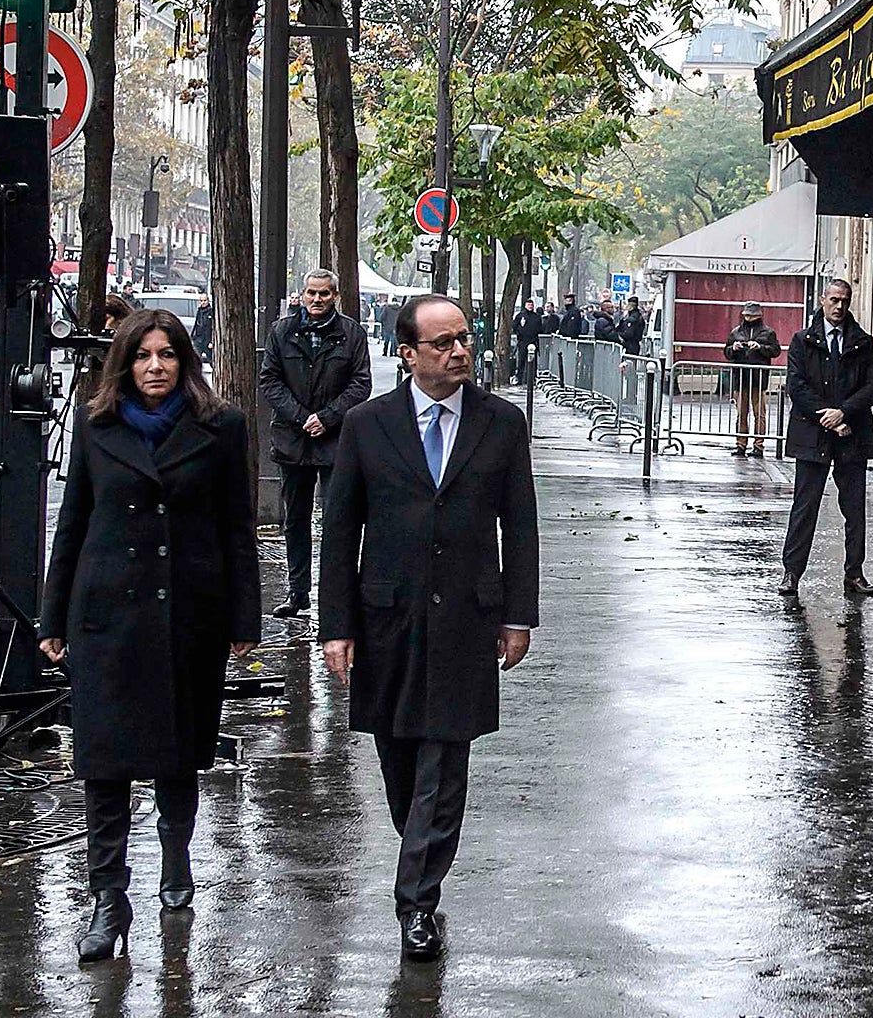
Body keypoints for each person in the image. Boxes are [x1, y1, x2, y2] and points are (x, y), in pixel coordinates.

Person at [318, 294, 541, 961]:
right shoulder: (366, 424)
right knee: (400, 763)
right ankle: (421, 863)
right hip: (387, 616)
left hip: (469, 618)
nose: (459, 352)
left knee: (444, 764)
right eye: (442, 343)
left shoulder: (502, 424)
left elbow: (520, 524)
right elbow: (338, 531)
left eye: (464, 339)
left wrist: (518, 614)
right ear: (408, 353)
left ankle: (416, 904)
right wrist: (336, 626)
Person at [38, 310, 260, 962]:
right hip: (106, 616)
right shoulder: (95, 424)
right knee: (102, 765)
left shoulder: (221, 428)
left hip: (187, 617)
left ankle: (174, 858)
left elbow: (236, 529)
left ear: (185, 361)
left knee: (177, 755)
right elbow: (72, 523)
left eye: (167, 354)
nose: (156, 366)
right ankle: (108, 898)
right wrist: (53, 618)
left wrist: (243, 619)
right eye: (143, 355)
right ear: (125, 363)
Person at [257, 269, 373, 620]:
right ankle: (298, 591)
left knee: (338, 518)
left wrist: (328, 417)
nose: (317, 299)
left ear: (335, 296)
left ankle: (337, 593)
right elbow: (270, 379)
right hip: (292, 440)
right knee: (295, 518)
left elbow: (360, 384)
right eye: (311, 293)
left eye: (324, 293)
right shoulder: (282, 331)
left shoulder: (352, 334)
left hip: (336, 441)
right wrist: (300, 416)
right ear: (302, 294)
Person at [779, 279, 873, 599]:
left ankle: (854, 573)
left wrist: (844, 413)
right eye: (834, 300)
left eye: (845, 301)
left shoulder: (863, 342)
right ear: (823, 300)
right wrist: (828, 416)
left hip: (852, 434)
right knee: (804, 507)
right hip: (813, 434)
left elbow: (871, 387)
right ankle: (792, 572)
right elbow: (796, 386)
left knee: (854, 508)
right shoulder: (802, 340)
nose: (839, 307)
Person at [724, 300, 782, 456]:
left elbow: (776, 350)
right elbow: (726, 352)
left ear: (758, 315)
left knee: (759, 414)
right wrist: (733, 348)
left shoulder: (768, 333)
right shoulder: (735, 332)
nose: (749, 318)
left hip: (759, 378)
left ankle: (758, 445)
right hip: (741, 378)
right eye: (747, 315)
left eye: (752, 315)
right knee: (741, 413)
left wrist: (760, 348)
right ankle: (741, 444)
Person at [512, 299, 543, 386]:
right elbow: (514, 326)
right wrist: (519, 333)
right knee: (521, 361)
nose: (530, 306)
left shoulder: (536, 317)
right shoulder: (520, 316)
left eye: (531, 305)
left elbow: (540, 328)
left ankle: (531, 379)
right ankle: (520, 378)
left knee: (532, 361)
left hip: (533, 341)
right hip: (522, 341)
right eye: (528, 304)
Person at [191, 293, 215, 364]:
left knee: (211, 360)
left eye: (205, 300)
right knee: (196, 359)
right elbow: (196, 324)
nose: (203, 302)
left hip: (207, 339)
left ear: (208, 301)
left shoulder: (211, 312)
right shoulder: (199, 311)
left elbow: (213, 327)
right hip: (199, 339)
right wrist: (192, 336)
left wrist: (211, 341)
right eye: (201, 301)